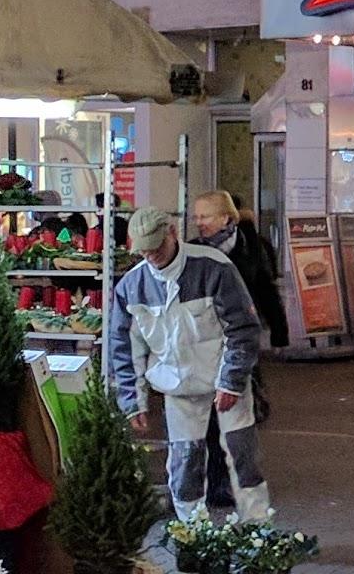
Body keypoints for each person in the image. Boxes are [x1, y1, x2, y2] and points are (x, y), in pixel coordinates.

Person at [109, 206, 269, 522]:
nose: (151, 255)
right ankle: (191, 531)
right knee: (185, 461)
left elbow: (243, 328)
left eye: (156, 246)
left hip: (223, 379)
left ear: (172, 233)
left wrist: (231, 382)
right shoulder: (130, 286)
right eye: (144, 250)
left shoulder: (214, 267)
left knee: (242, 455)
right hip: (178, 386)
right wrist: (133, 402)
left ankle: (257, 525)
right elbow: (125, 349)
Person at [191, 190, 289, 505]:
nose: (199, 222)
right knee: (208, 418)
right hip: (203, 345)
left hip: (239, 345)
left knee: (237, 419)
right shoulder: (192, 252)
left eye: (205, 216)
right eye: (196, 216)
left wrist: (280, 329)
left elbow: (266, 289)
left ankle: (239, 480)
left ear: (226, 218)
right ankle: (215, 481)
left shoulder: (253, 247)